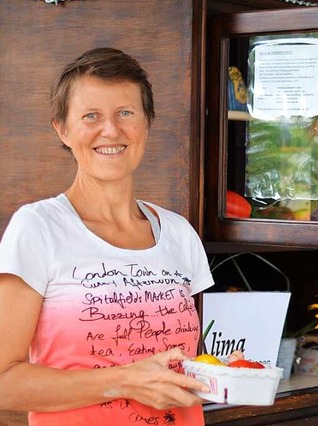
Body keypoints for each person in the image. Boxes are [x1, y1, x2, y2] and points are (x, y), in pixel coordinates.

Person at [0, 48, 215, 425]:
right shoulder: (37, 228)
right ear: (62, 130)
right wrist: (123, 381)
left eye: (126, 113)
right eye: (91, 116)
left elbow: (184, 365)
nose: (111, 130)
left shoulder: (179, 234)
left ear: (147, 123)